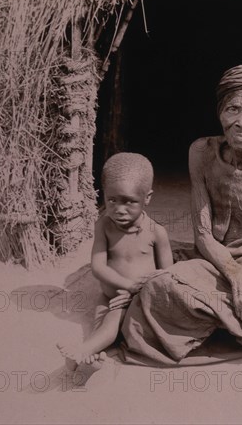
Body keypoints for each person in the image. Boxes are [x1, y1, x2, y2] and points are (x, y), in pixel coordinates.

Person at [113, 65, 242, 388]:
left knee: (181, 291)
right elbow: (202, 235)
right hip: (220, 259)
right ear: (220, 113)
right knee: (158, 289)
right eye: (233, 108)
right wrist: (237, 276)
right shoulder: (202, 154)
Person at [57, 152, 173, 375]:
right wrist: (127, 287)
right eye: (112, 200)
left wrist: (136, 290)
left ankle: (82, 353)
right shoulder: (103, 226)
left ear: (147, 198)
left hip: (141, 299)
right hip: (110, 295)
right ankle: (87, 362)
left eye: (129, 202)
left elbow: (167, 275)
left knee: (111, 322)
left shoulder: (156, 232)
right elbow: (98, 267)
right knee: (98, 325)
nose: (119, 209)